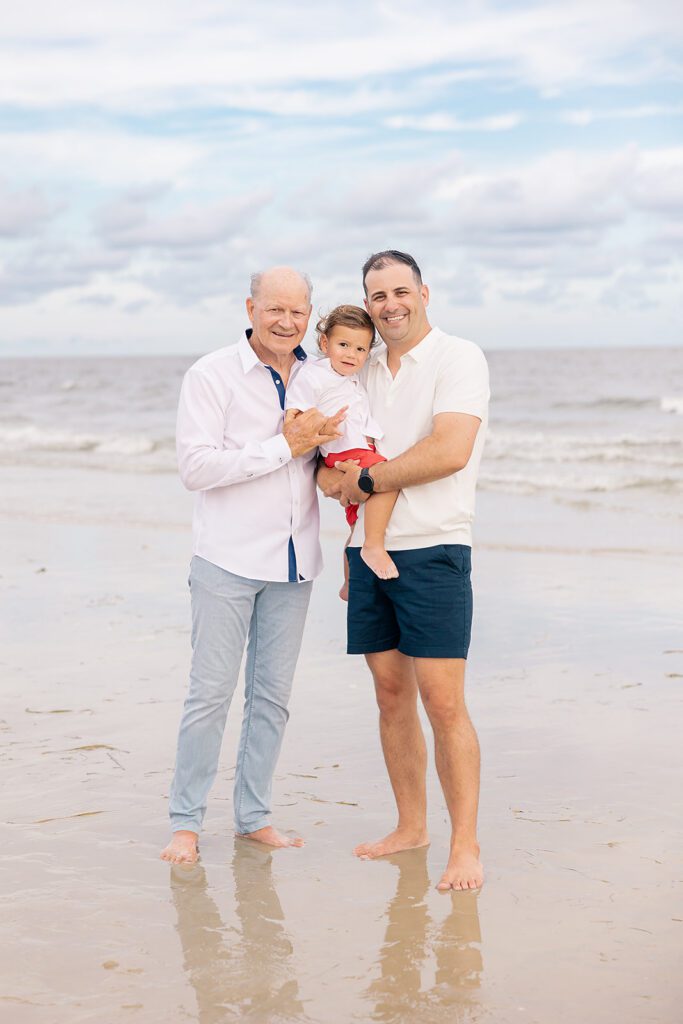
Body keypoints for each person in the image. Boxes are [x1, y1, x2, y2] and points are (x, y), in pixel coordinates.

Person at [161, 266, 345, 865]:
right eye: (275, 309)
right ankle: (186, 824)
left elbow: (330, 456)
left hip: (295, 564)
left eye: (299, 311)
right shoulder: (211, 374)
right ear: (250, 308)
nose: (287, 322)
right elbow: (196, 467)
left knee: (272, 698)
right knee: (210, 695)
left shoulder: (320, 378)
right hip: (227, 559)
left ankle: (253, 817)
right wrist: (281, 448)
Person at [318, 250, 489, 891]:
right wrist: (343, 482)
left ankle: (465, 846)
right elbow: (328, 460)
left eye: (399, 291)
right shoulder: (357, 369)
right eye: (377, 294)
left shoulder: (457, 357)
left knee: (443, 703)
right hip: (367, 550)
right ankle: (411, 826)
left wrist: (363, 479)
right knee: (391, 697)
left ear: (423, 292)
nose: (389, 304)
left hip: (437, 548)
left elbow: (449, 451)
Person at [284, 304, 400, 597]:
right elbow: (294, 416)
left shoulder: (353, 377)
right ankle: (374, 545)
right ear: (325, 344)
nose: (352, 354)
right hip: (342, 452)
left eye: (360, 349)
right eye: (344, 345)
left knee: (356, 524)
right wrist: (322, 427)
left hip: (356, 449)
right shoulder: (314, 375)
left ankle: (349, 582)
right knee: (387, 480)